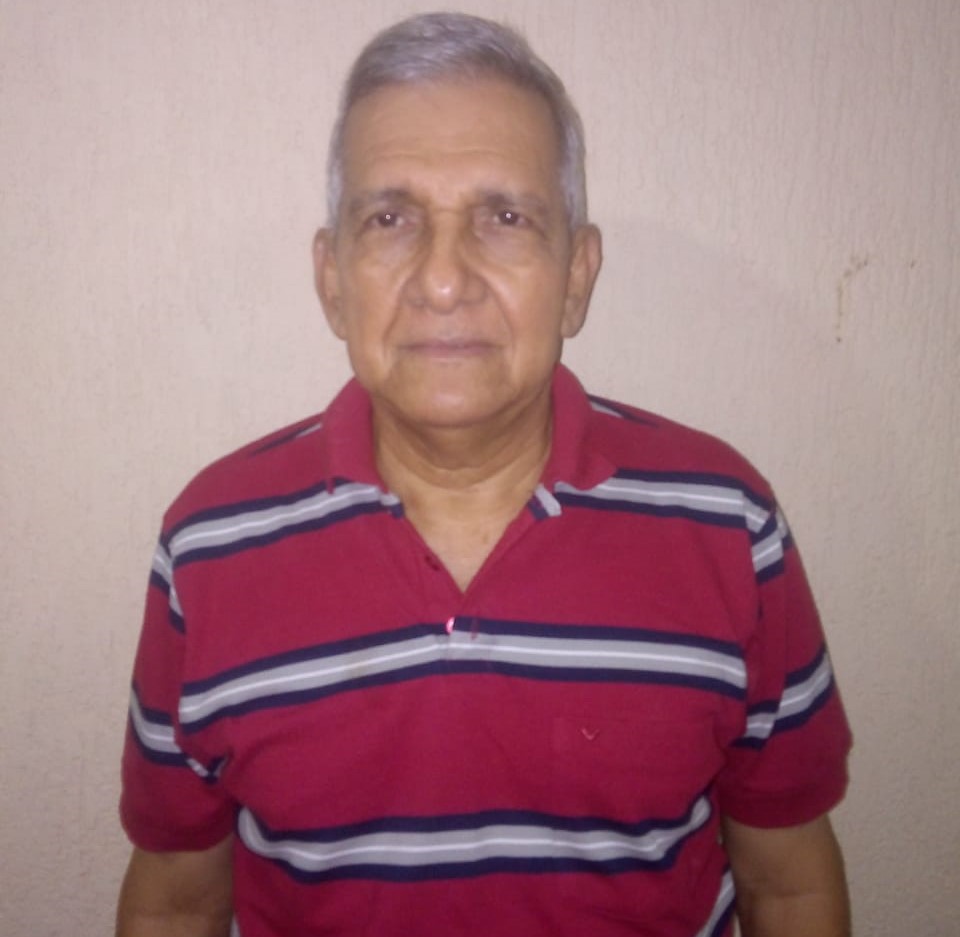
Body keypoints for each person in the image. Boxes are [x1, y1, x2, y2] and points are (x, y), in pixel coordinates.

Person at [116, 12, 852, 937]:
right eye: (391, 219)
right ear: (333, 279)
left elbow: (788, 885)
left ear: (576, 276)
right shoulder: (211, 546)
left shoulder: (726, 526)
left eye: (505, 218)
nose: (443, 279)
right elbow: (178, 897)